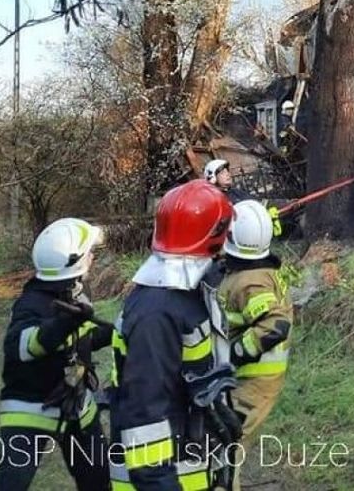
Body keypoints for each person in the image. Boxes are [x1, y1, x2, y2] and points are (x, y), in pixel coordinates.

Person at [109, 180, 241, 491]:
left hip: (188, 461)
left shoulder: (185, 295)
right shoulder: (158, 313)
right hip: (163, 478)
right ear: (214, 236)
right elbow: (145, 415)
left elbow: (183, 378)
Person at [0, 218, 111, 491]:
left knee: (99, 481)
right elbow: (20, 345)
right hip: (30, 408)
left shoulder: (77, 291)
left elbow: (84, 336)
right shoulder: (31, 304)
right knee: (11, 485)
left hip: (77, 406)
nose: (93, 256)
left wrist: (121, 334)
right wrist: (60, 326)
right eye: (90, 252)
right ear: (77, 262)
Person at [218, 199, 293, 490]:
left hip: (253, 381)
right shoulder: (254, 272)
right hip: (251, 379)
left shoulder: (250, 283)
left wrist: (236, 353)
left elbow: (275, 324)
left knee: (226, 448)